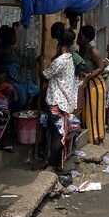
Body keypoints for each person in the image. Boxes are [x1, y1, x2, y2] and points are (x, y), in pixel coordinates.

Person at [42, 28, 77, 172]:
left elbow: (44, 75)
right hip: (65, 102)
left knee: (57, 135)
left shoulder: (60, 61)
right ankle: (57, 164)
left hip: (57, 102)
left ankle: (51, 166)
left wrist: (40, 63)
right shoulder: (71, 58)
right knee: (58, 133)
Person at [0, 24, 39, 109]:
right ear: (7, 38)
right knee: (21, 98)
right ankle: (11, 113)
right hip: (9, 80)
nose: (15, 37)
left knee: (35, 90)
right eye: (13, 36)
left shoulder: (12, 50)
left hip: (18, 79)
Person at [78, 25, 107, 145]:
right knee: (86, 111)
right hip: (85, 83)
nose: (78, 38)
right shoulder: (80, 49)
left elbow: (101, 67)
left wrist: (88, 78)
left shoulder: (93, 51)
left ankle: (99, 138)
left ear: (88, 39)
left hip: (95, 85)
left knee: (95, 111)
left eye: (81, 37)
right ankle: (90, 137)